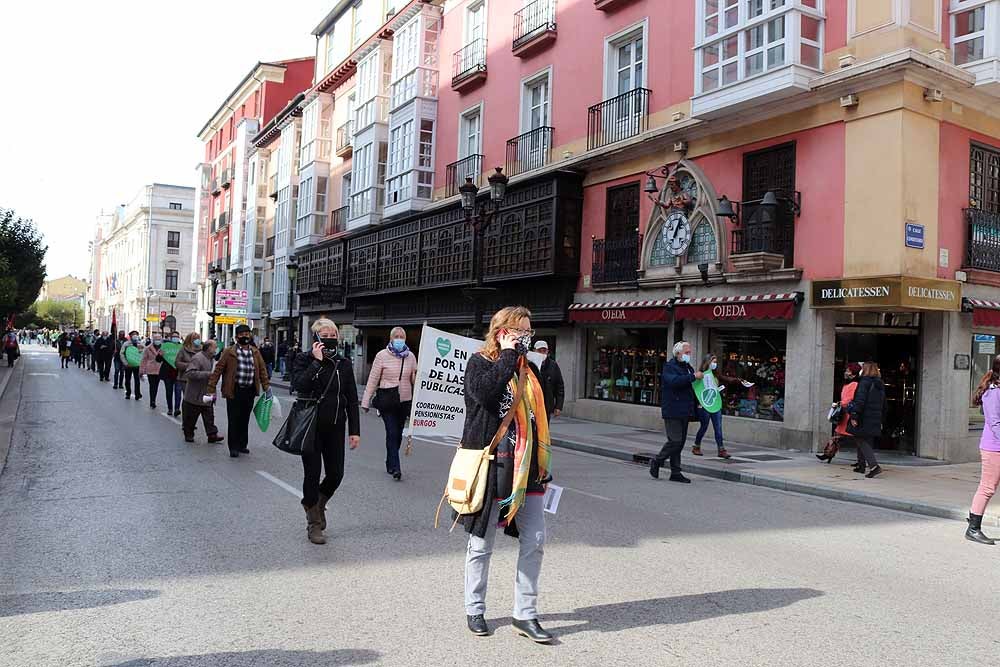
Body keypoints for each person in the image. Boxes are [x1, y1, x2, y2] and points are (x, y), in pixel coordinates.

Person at [461, 306, 554, 643]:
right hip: (492, 463)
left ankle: (525, 614)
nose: (525, 339)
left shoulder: (529, 370)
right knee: (483, 542)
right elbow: (486, 395)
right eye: (519, 333)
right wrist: (508, 356)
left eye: (528, 333)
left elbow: (540, 416)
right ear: (500, 332)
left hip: (527, 466)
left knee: (536, 540)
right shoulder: (480, 363)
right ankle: (475, 607)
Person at [292, 319, 360, 545]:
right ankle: (314, 523)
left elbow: (351, 399)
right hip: (310, 426)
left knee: (335, 474)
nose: (330, 336)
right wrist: (316, 363)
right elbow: (300, 385)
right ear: (316, 337)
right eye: (325, 333)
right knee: (311, 474)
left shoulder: (344, 363)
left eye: (333, 333)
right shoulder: (304, 358)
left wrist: (354, 431)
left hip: (335, 425)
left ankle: (317, 503)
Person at [362, 327, 417, 481]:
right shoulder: (382, 356)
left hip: (404, 400)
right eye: (396, 336)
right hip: (387, 400)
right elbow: (373, 379)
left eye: (402, 336)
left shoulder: (411, 357)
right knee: (392, 433)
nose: (399, 339)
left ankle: (390, 460)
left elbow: (414, 380)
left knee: (398, 435)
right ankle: (396, 468)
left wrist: (417, 376)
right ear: (391, 338)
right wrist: (366, 401)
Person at [207, 324, 270, 458]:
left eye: (247, 334)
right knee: (234, 419)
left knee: (244, 419)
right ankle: (233, 447)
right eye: (242, 335)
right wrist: (211, 387)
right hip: (234, 390)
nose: (245, 337)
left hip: (249, 390)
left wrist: (266, 387)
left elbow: (262, 370)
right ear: (236, 337)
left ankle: (242, 444)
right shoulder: (229, 352)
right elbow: (218, 369)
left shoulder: (255, 351)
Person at [650, 341, 702, 484]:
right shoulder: (669, 367)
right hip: (672, 409)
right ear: (678, 353)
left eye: (690, 352)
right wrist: (693, 377)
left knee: (680, 443)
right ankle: (657, 461)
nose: (689, 355)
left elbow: (692, 387)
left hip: (685, 410)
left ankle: (676, 472)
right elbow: (674, 382)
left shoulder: (688, 368)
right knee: (675, 440)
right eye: (687, 352)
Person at [969, 354, 1000, 545]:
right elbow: (995, 423)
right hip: (994, 447)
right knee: (987, 487)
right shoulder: (993, 392)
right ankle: (973, 528)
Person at [180, 335, 224, 445]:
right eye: (214, 347)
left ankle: (212, 434)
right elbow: (189, 373)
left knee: (209, 415)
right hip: (194, 394)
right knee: (191, 417)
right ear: (208, 348)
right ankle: (189, 434)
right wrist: (208, 374)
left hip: (207, 392)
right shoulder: (198, 358)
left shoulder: (211, 359)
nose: (216, 349)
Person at [847, 361, 886, 479]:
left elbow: (860, 400)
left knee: (858, 437)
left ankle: (874, 466)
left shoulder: (864, 382)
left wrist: (854, 415)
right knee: (865, 439)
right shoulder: (880, 384)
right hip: (875, 417)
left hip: (864, 416)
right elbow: (884, 404)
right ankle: (861, 465)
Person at [692, 353, 734, 459]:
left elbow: (726, 380)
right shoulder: (700, 375)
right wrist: (699, 403)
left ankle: (721, 449)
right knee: (704, 426)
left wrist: (737, 380)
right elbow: (697, 390)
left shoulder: (715, 375)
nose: (715, 364)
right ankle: (696, 446)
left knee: (718, 428)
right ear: (707, 362)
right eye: (713, 362)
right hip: (704, 405)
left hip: (715, 404)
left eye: (716, 362)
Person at [818, 362, 861, 464]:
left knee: (857, 439)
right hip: (844, 413)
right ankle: (828, 454)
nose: (846, 372)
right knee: (837, 435)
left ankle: (861, 460)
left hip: (849, 414)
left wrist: (840, 403)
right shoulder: (849, 383)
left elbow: (850, 399)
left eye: (848, 370)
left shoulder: (854, 384)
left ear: (852, 372)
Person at [532, 340, 564, 420]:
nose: (542, 353)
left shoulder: (553, 365)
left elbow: (559, 386)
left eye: (544, 351)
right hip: (531, 403)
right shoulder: (529, 364)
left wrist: (558, 406)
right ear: (534, 351)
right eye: (539, 351)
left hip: (547, 404)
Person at [159, 332, 183, 416]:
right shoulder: (165, 346)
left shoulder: (182, 347)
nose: (175, 338)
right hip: (167, 374)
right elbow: (158, 360)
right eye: (174, 337)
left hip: (178, 373)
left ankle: (177, 408)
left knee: (178, 392)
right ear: (170, 338)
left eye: (177, 337)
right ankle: (170, 408)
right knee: (169, 392)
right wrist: (160, 355)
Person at [119, 330, 144, 401]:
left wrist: (140, 350)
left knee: (137, 380)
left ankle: (137, 394)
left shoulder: (140, 344)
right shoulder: (126, 344)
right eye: (133, 334)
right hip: (128, 365)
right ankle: (128, 393)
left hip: (137, 365)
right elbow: (122, 354)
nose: (135, 336)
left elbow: (143, 354)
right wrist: (126, 363)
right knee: (127, 380)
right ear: (130, 336)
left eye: (136, 334)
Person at [140, 334, 163, 409]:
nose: (157, 341)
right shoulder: (148, 348)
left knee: (156, 386)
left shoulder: (163, 348)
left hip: (160, 369)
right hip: (150, 369)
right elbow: (144, 360)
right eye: (156, 339)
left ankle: (153, 399)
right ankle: (152, 401)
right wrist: (142, 371)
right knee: (152, 385)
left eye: (159, 339)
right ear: (153, 340)